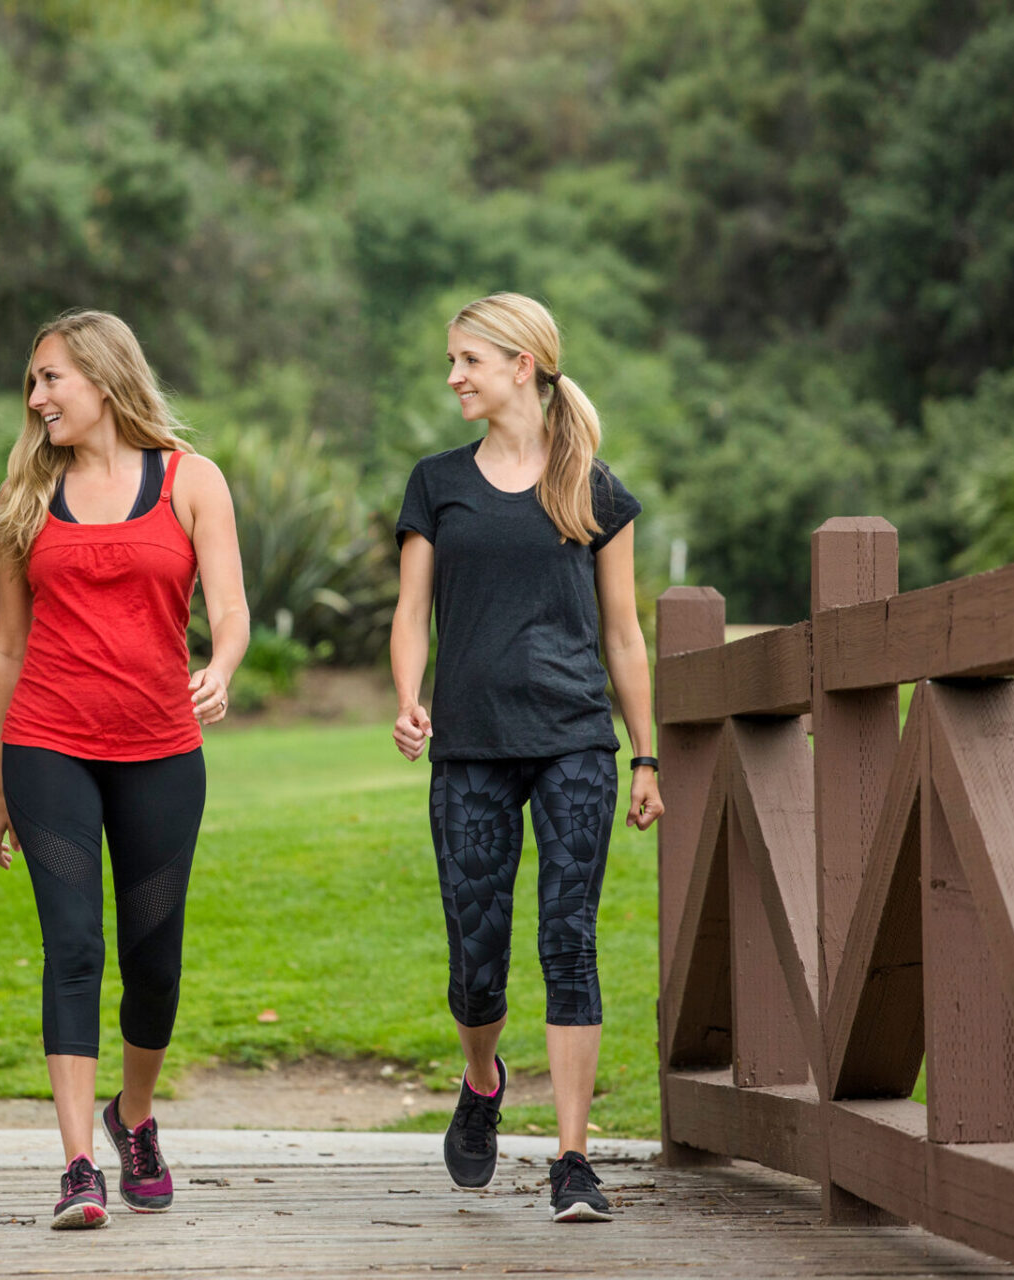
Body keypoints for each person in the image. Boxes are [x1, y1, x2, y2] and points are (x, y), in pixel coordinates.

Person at [389, 292, 663, 1224]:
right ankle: (483, 1078)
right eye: (453, 360)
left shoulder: (595, 488)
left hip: (575, 744)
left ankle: (573, 1160)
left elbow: (624, 637)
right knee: (477, 963)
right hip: (468, 748)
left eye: (468, 359)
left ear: (522, 365)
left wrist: (646, 756)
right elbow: (410, 613)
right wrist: (408, 699)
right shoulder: (437, 482)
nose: (454, 375)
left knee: (569, 941)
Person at [0, 310, 250, 1230]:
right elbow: (7, 646)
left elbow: (233, 609)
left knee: (153, 958)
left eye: (51, 378)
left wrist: (219, 666)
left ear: (102, 378)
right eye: (33, 381)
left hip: (162, 750)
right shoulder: (26, 487)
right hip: (48, 743)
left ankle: (132, 1118)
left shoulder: (189, 479)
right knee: (74, 946)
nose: (38, 396)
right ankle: (79, 1167)